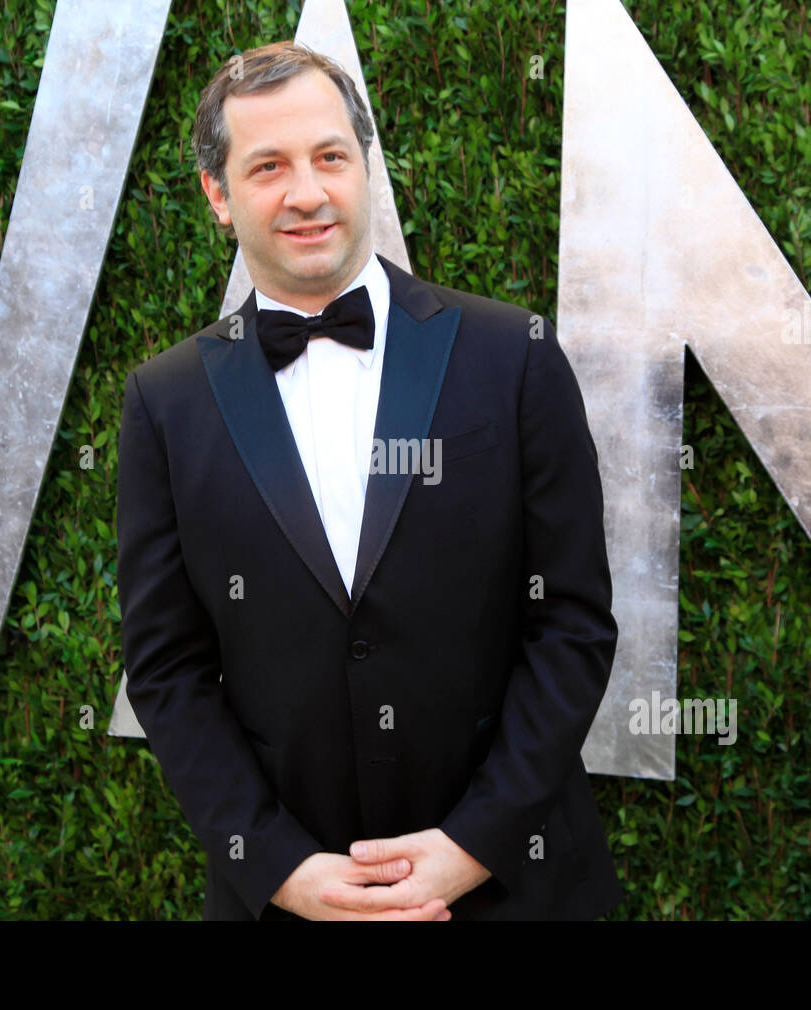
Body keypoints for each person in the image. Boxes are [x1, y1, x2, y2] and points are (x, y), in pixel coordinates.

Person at [116, 40, 624, 920]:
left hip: (519, 887)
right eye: (267, 166)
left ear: (365, 168)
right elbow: (167, 669)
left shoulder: (514, 357)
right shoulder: (165, 403)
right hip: (285, 901)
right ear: (218, 197)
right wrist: (275, 865)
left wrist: (474, 846)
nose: (306, 192)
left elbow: (572, 624)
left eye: (329, 157)